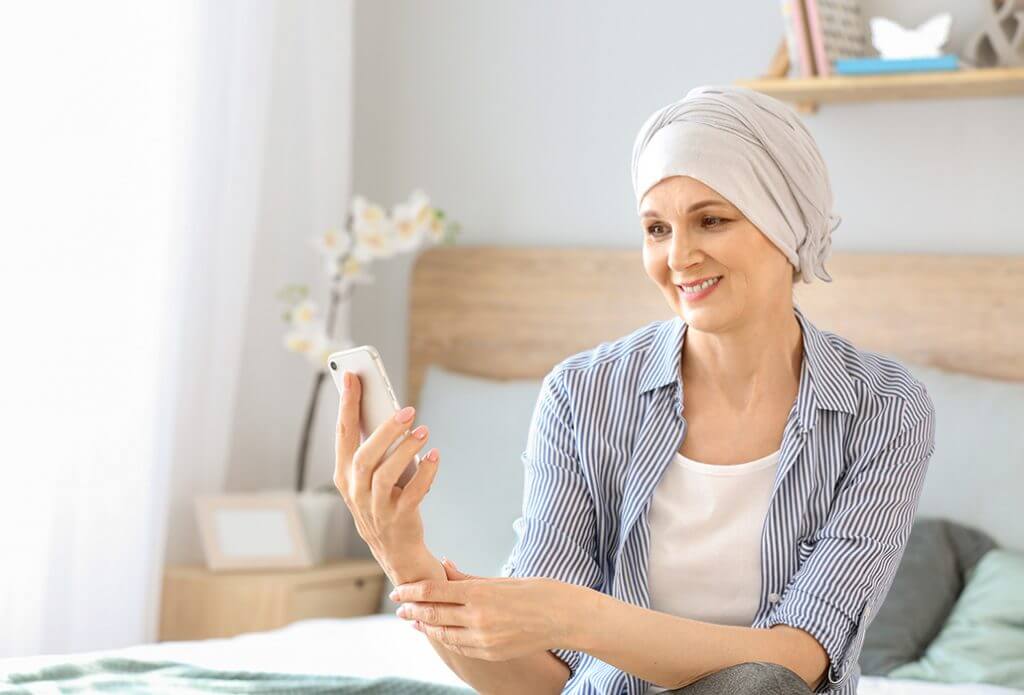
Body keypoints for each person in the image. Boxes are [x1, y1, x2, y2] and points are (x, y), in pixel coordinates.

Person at [334, 84, 937, 695]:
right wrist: (403, 554)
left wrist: (576, 615)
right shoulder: (582, 395)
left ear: (788, 225)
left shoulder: (883, 409)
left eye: (711, 220)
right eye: (655, 228)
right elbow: (536, 681)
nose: (678, 256)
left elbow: (797, 661)